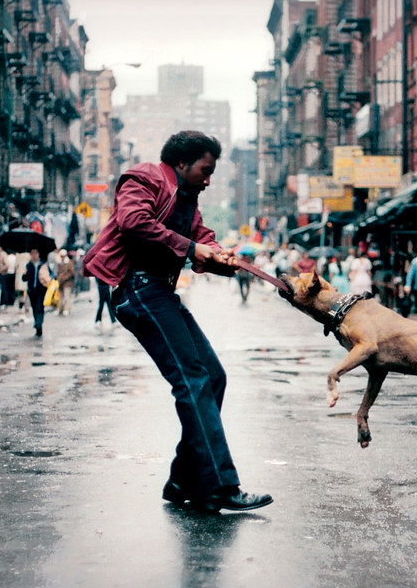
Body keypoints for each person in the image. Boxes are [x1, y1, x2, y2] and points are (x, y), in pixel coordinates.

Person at [83, 129, 272, 513]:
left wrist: (220, 255)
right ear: (182, 163)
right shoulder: (144, 177)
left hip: (160, 291)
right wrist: (192, 247)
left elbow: (203, 237)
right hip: (137, 288)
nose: (209, 179)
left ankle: (183, 480)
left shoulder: (189, 199)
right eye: (205, 170)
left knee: (213, 376)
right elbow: (134, 222)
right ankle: (219, 485)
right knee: (192, 380)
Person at [23, 248, 50, 337]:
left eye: (35, 253)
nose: (34, 255)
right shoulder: (28, 265)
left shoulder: (43, 265)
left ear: (38, 254)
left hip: (41, 290)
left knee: (40, 307)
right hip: (32, 290)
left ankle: (38, 323)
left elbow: (51, 275)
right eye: (32, 253)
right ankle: (38, 327)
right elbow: (24, 278)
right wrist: (25, 274)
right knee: (34, 308)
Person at [56, 249, 76, 316]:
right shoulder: (59, 263)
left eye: (63, 256)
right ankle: (61, 310)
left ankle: (66, 310)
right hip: (60, 283)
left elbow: (71, 272)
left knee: (66, 297)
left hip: (67, 283)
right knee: (61, 297)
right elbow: (58, 272)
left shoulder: (69, 262)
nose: (62, 257)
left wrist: (64, 277)